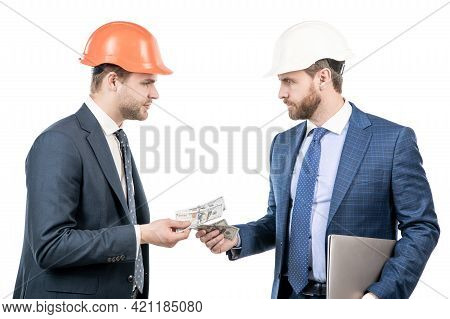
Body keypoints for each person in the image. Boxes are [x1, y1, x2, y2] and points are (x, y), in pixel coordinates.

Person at [196, 21, 439, 299]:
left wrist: (380, 296)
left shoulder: (392, 141)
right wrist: (235, 237)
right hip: (289, 297)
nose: (281, 93)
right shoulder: (283, 144)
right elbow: (278, 221)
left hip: (356, 300)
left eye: (289, 81)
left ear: (323, 78)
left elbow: (422, 227)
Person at [13, 21, 191, 299]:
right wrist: (141, 234)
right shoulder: (59, 142)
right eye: (147, 83)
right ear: (113, 81)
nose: (155, 94)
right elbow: (50, 247)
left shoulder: (116, 138)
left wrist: (147, 231)